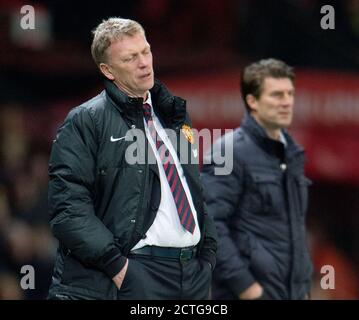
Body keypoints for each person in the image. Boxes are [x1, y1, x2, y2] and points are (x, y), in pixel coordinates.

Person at [47, 17, 217, 300]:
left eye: (146, 52)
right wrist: (118, 267)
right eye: (130, 58)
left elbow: (193, 189)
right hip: (134, 273)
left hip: (192, 276)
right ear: (107, 70)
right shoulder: (86, 120)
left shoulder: (173, 114)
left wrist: (208, 253)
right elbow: (68, 209)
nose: (144, 63)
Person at [201, 58, 313, 300]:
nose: (287, 102)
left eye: (290, 94)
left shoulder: (293, 152)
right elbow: (210, 225)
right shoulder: (227, 151)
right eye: (276, 95)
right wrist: (246, 288)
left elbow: (294, 231)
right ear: (252, 101)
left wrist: (302, 290)